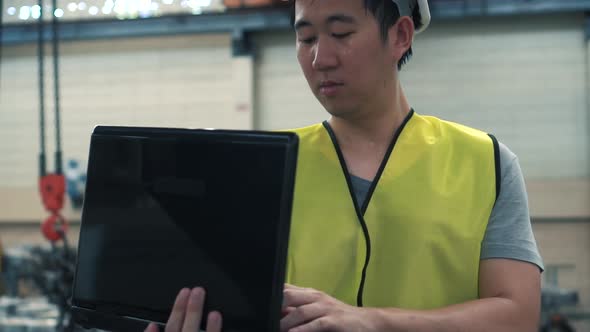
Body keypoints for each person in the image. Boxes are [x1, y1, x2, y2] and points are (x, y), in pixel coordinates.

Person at [146, 0, 544, 331]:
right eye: (306, 38)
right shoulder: (261, 167)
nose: (320, 58)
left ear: (400, 36)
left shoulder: (485, 162)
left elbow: (518, 315)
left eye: (341, 34)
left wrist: (373, 322)